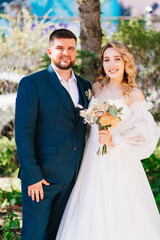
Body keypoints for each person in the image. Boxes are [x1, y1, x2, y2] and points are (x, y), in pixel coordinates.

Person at [55, 41, 160, 240]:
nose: (111, 64)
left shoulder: (133, 94)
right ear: (102, 64)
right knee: (89, 206)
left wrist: (116, 139)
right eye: (106, 60)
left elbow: (146, 136)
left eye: (116, 59)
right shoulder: (95, 88)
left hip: (117, 159)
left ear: (125, 62)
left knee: (118, 208)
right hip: (91, 157)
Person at [15, 28, 91, 240]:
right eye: (60, 48)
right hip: (42, 180)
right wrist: (32, 176)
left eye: (70, 49)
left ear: (75, 52)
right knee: (34, 234)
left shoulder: (85, 86)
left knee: (58, 235)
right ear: (50, 51)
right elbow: (23, 132)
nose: (65, 53)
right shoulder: (32, 83)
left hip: (74, 179)